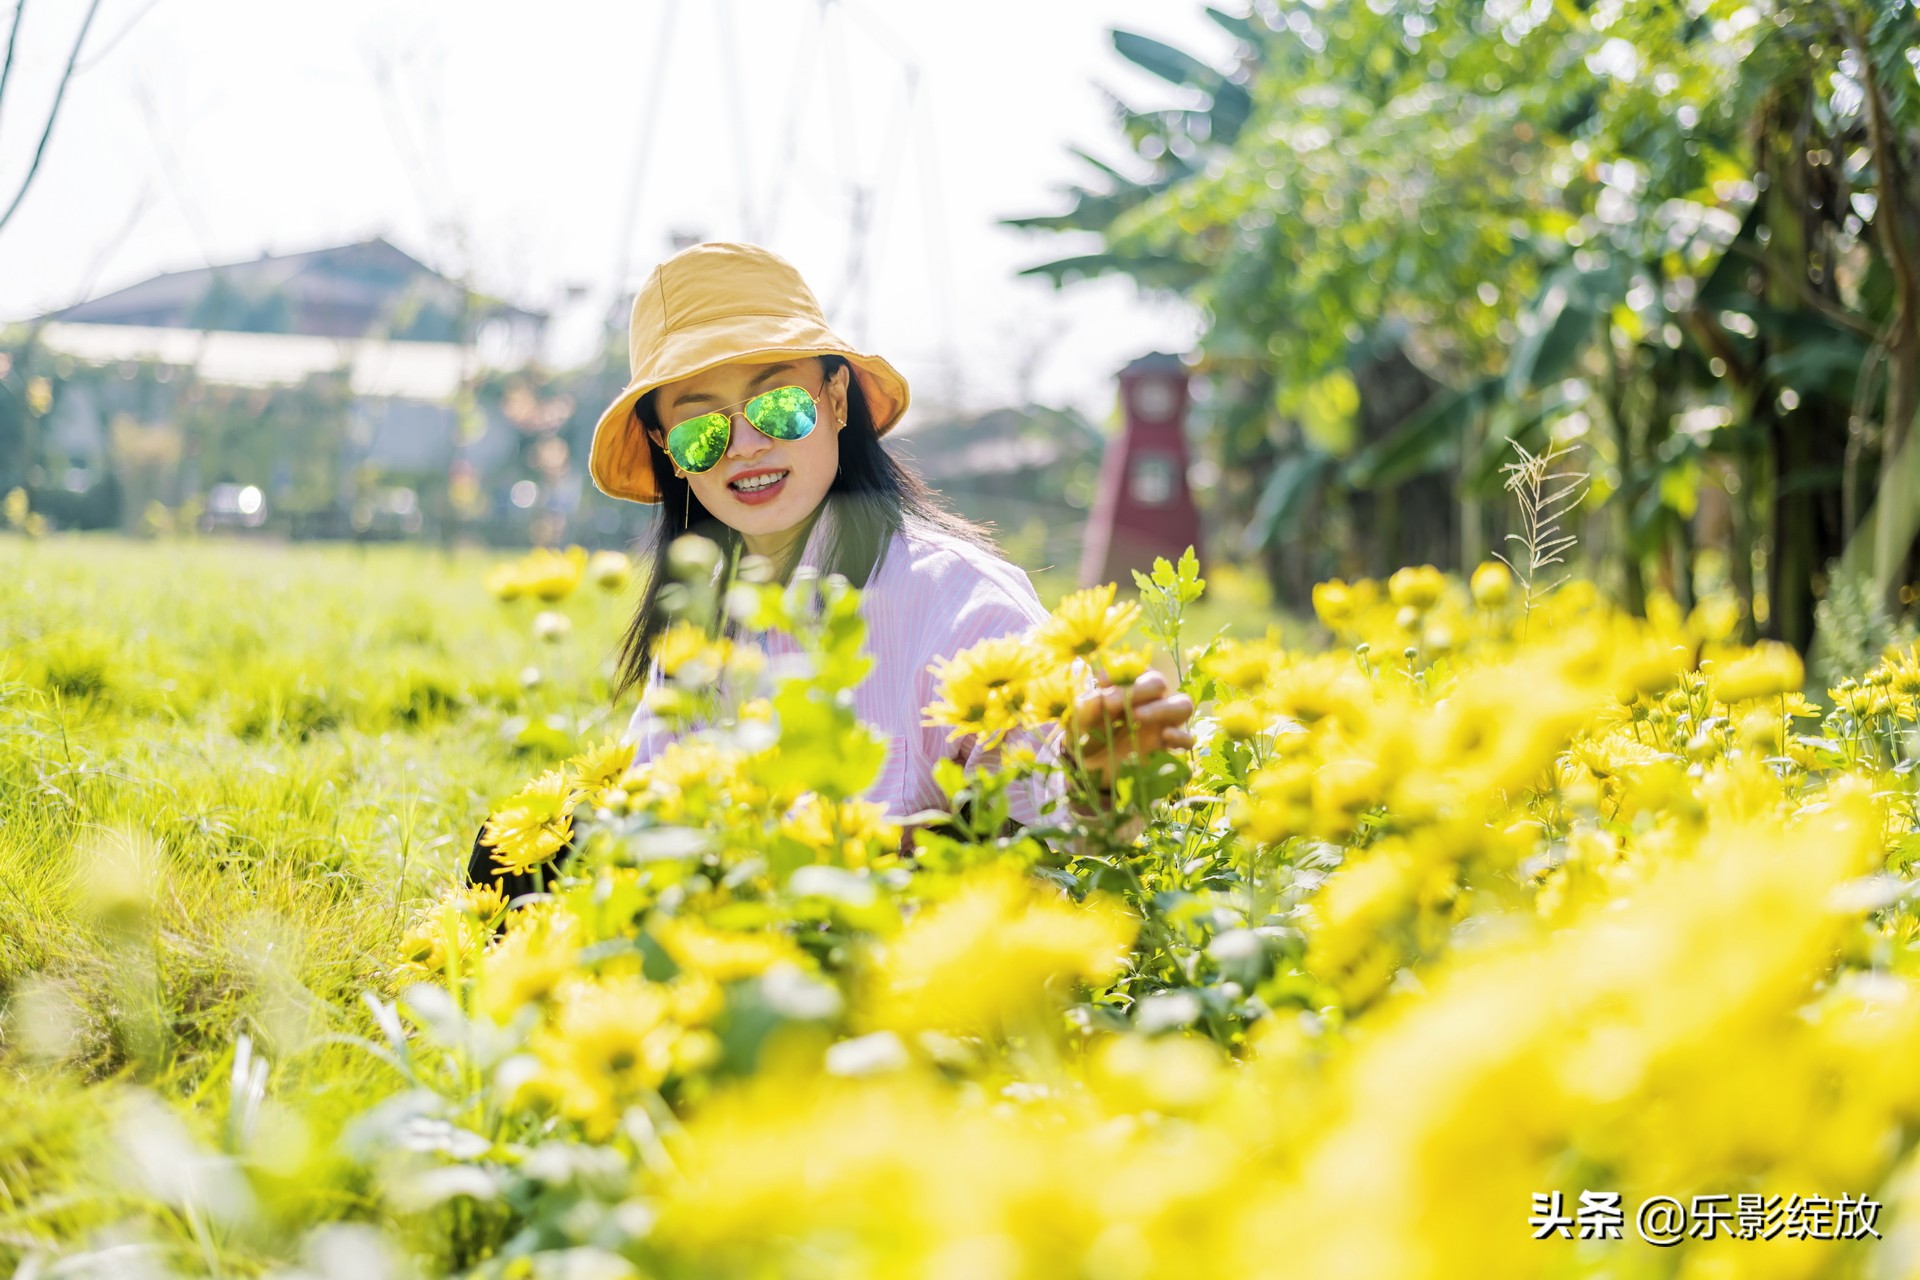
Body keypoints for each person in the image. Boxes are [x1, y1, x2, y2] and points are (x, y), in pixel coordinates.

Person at [470, 241, 1191, 892]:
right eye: (701, 429)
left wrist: (1099, 782)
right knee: (512, 859)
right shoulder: (699, 623)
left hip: (908, 991)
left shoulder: (958, 601)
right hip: (729, 975)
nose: (745, 445)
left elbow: (1057, 828)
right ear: (666, 448)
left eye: (779, 406)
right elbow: (653, 808)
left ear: (837, 400)